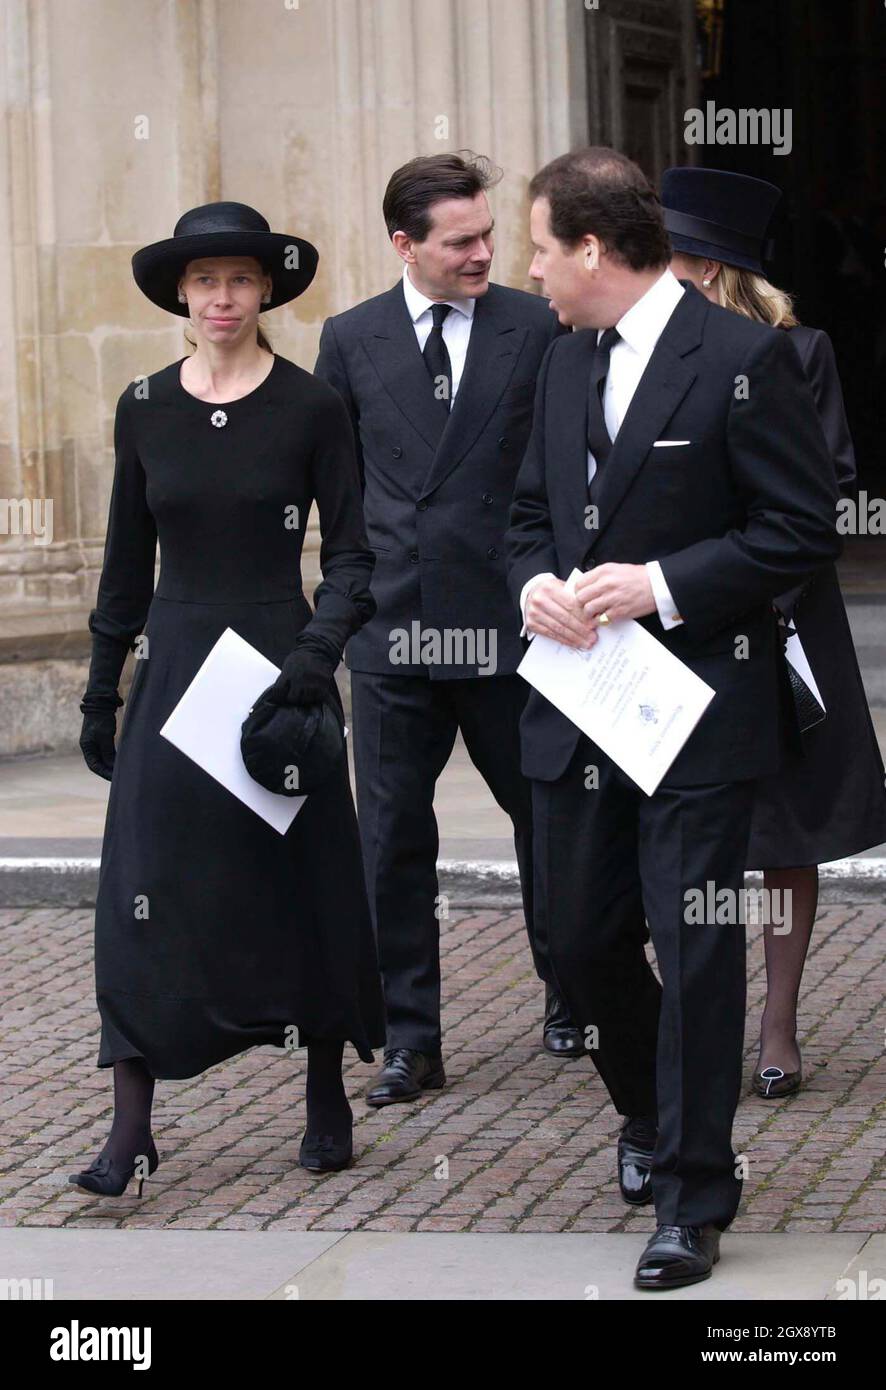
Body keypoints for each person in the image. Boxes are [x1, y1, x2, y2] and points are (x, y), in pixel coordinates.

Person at [506, 147, 840, 1289]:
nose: (528, 268)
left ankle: (692, 1196)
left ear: (591, 250)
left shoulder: (745, 358)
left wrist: (662, 583)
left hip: (698, 712)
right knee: (577, 939)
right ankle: (655, 1112)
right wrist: (531, 585)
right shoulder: (558, 365)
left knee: (695, 947)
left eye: (540, 247)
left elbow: (798, 530)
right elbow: (522, 517)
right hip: (575, 714)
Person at [72, 201, 385, 1197]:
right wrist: (99, 687)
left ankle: (326, 1090)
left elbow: (353, 556)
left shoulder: (310, 406)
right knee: (142, 888)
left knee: (300, 881)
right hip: (173, 682)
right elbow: (126, 562)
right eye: (204, 280)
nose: (221, 297)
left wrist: (315, 656)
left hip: (276, 677)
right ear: (180, 292)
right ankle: (130, 1126)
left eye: (240, 280)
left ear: (266, 292)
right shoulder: (144, 405)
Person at [314, 151, 579, 1110]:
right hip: (392, 637)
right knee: (389, 841)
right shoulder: (348, 339)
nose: (483, 253)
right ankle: (409, 1041)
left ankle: (576, 994)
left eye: (488, 236)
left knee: (550, 826)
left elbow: (569, 471)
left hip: (515, 630)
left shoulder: (537, 325)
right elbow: (337, 497)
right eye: (460, 240)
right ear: (404, 245)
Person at [662, 165, 886, 1099]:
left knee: (784, 824)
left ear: (710, 272)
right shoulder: (637, 358)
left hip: (785, 616)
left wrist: (745, 574)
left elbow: (827, 487)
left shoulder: (802, 354)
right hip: (668, 616)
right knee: (677, 829)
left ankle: (779, 1023)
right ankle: (684, 1017)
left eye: (665, 259)